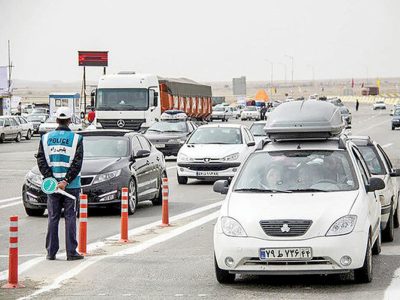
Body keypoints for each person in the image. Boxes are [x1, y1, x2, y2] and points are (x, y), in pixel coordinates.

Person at [36, 107, 84, 261]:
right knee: (70, 217)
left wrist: (52, 180)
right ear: (70, 120)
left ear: (56, 120)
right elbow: (77, 163)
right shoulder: (77, 139)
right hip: (71, 186)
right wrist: (65, 181)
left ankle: (51, 252)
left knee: (53, 217)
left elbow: (41, 161)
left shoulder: (45, 138)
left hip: (52, 186)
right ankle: (71, 252)